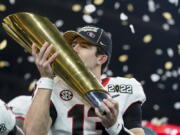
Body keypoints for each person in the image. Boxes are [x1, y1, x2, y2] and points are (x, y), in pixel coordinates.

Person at [23, 25, 146, 135]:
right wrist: (46, 79)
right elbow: (32, 132)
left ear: (101, 59)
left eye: (83, 46)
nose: (74, 49)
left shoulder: (125, 87)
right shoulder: (52, 85)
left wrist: (114, 127)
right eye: (73, 45)